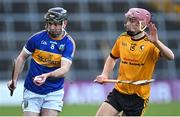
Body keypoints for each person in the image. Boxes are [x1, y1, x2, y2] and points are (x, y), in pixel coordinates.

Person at [94, 8, 174, 116]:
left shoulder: (151, 44)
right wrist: (104, 74)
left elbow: (171, 56)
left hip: (138, 98)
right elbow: (112, 57)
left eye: (131, 21)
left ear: (142, 24)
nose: (127, 24)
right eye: (127, 20)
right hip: (119, 92)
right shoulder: (122, 39)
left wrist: (157, 42)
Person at [7, 7, 76, 116]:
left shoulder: (68, 43)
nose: (52, 27)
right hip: (32, 90)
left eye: (56, 24)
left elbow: (64, 69)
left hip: (54, 92)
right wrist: (14, 80)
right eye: (50, 23)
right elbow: (21, 58)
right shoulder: (36, 38)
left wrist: (47, 75)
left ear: (64, 23)